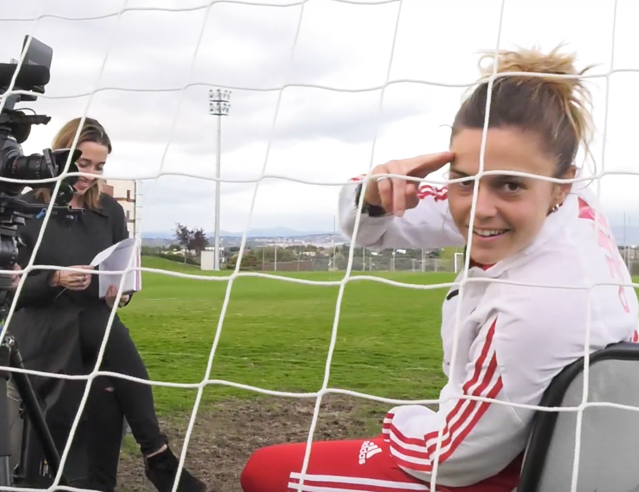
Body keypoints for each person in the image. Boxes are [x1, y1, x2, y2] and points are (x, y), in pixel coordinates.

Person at [240, 47, 639, 492]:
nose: (480, 209)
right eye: (464, 180)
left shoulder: (537, 306)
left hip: (523, 469)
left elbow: (449, 459)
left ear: (562, 185)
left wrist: (400, 419)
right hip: (581, 446)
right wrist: (374, 194)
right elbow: (378, 227)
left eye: (509, 184)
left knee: (269, 473)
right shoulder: (566, 206)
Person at [8, 117, 207, 492]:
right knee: (102, 330)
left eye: (99, 167)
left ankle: (138, 463)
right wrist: (55, 279)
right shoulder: (24, 208)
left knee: (105, 346)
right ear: (61, 155)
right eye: (83, 163)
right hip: (40, 327)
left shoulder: (109, 211)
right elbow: (10, 291)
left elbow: (122, 270)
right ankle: (158, 455)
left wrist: (122, 292)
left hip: (94, 327)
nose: (90, 175)